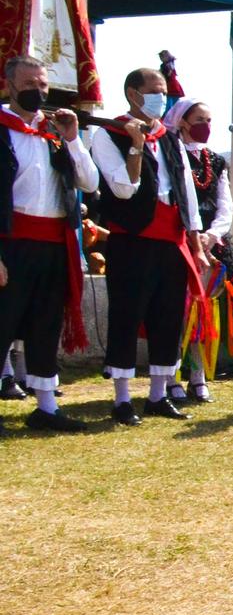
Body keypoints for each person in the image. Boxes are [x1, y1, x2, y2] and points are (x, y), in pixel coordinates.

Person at [88, 65, 204, 425]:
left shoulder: (169, 137)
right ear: (133, 94)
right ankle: (122, 399)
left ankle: (158, 394)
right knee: (127, 314)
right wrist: (136, 146)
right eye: (155, 90)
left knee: (167, 316)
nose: (162, 96)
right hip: (133, 238)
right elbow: (122, 188)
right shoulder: (108, 134)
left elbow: (186, 191)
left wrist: (197, 242)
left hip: (171, 238)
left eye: (165, 90)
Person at [0, 55, 94, 431]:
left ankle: (46, 408)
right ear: (8, 85)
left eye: (42, 85)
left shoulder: (55, 132)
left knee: (45, 324)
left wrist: (72, 140)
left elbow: (89, 183)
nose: (38, 91)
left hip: (54, 243)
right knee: (2, 323)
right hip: (11, 242)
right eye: (30, 84)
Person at [163, 97, 233, 404]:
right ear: (182, 122)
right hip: (178, 242)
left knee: (204, 313)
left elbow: (225, 204)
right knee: (176, 313)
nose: (206, 127)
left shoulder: (215, 161)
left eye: (209, 121)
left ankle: (199, 376)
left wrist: (212, 235)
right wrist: (193, 238)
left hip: (210, 244)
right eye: (199, 121)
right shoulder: (169, 155)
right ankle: (169, 376)